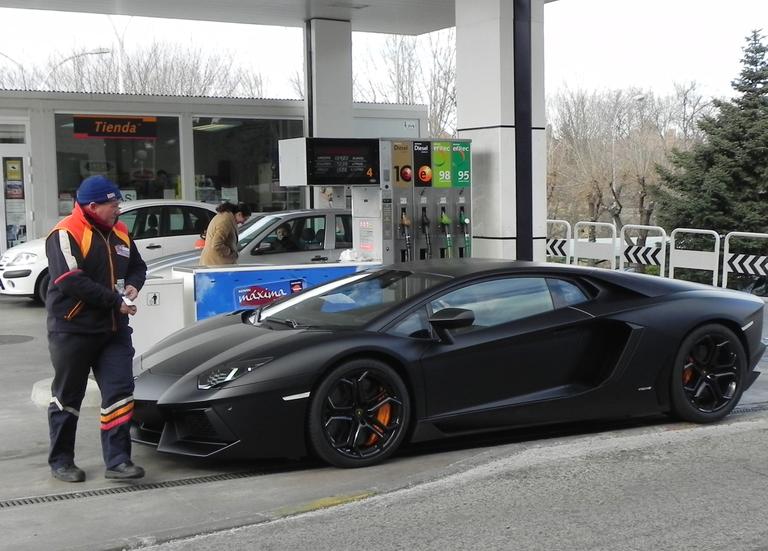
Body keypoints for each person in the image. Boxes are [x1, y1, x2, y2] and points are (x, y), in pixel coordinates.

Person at [45, 175, 147, 483]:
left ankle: (118, 462)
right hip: (72, 329)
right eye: (113, 205)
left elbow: (138, 266)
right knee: (68, 396)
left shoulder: (121, 231)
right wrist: (113, 302)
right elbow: (69, 280)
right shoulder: (65, 233)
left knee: (119, 392)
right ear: (93, 206)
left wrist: (133, 285)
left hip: (114, 330)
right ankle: (61, 460)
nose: (118, 209)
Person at [200, 201, 239, 266]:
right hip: (217, 262)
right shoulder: (225, 221)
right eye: (245, 218)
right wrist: (230, 252)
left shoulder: (221, 217)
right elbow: (216, 244)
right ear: (239, 214)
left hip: (214, 261)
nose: (243, 222)